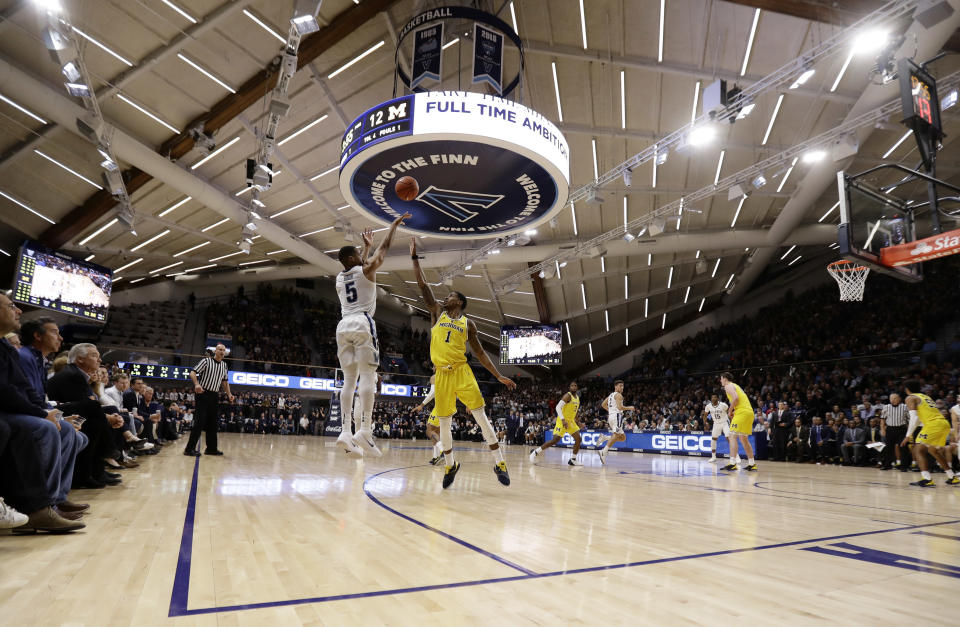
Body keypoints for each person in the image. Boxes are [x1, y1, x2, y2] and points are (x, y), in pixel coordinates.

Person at [410, 238, 517, 489]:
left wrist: (498, 375)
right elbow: (422, 284)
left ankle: (499, 462)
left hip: (462, 371)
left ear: (459, 302)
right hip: (442, 375)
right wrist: (415, 258)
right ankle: (450, 464)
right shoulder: (437, 312)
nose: (445, 297)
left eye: (450, 296)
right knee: (444, 424)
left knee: (481, 417)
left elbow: (480, 354)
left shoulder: (468, 323)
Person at [334, 213, 409, 457]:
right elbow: (384, 250)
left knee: (348, 380)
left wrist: (364, 249)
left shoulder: (339, 278)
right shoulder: (365, 270)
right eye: (356, 253)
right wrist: (392, 226)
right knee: (369, 375)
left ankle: (345, 431)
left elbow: (357, 268)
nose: (361, 254)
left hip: (343, 325)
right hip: (363, 322)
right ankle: (365, 430)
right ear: (350, 258)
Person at [900, 380, 956, 487]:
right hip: (943, 423)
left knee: (918, 449)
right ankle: (952, 476)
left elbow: (914, 417)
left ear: (906, 389)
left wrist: (908, 436)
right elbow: (922, 416)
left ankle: (927, 479)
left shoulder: (910, 398)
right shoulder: (925, 397)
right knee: (933, 450)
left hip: (933, 425)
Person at [184, 343, 233, 456]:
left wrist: (229, 394)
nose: (222, 352)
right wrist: (196, 384)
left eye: (223, 350)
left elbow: (225, 382)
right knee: (199, 422)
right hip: (203, 393)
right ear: (215, 351)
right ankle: (189, 449)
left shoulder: (224, 365)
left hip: (214, 395)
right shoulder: (206, 361)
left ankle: (211, 448)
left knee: (213, 423)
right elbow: (192, 372)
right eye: (220, 349)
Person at [530, 381, 583, 466]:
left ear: (577, 388)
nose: (573, 387)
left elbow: (575, 412)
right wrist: (563, 420)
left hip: (571, 422)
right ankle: (535, 452)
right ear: (569, 388)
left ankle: (573, 459)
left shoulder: (577, 398)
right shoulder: (567, 395)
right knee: (555, 440)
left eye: (575, 386)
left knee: (578, 439)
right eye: (572, 385)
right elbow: (557, 407)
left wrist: (579, 422)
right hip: (562, 421)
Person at [720, 372, 758, 471]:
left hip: (742, 412)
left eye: (721, 379)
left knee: (732, 436)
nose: (720, 381)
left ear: (724, 379)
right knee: (743, 439)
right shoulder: (735, 385)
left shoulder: (728, 386)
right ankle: (752, 463)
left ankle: (732, 463)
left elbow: (736, 398)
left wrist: (730, 410)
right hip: (749, 412)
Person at [597, 380, 635, 465]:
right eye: (620, 386)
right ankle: (604, 451)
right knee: (617, 434)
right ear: (616, 387)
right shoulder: (619, 395)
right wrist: (630, 408)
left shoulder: (611, 395)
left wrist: (611, 410)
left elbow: (603, 405)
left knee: (622, 438)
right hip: (617, 416)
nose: (622, 387)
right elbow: (620, 407)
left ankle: (605, 438)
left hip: (611, 416)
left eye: (623, 386)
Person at [413, 374, 445, 465]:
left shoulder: (435, 377)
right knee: (436, 432)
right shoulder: (449, 375)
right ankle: (436, 457)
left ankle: (443, 451)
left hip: (440, 406)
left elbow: (432, 392)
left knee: (429, 430)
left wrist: (421, 405)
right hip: (450, 407)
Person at [703, 393, 736, 464]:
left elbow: (730, 413)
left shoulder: (723, 405)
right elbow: (705, 415)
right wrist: (705, 423)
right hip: (716, 423)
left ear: (717, 398)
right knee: (713, 439)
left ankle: (736, 456)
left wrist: (733, 422)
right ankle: (713, 456)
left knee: (728, 437)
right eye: (712, 397)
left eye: (715, 397)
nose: (713, 399)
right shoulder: (708, 406)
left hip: (724, 422)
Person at [880, 393, 909, 471]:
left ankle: (904, 466)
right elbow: (882, 419)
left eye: (895, 398)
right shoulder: (886, 407)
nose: (893, 400)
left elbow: (909, 420)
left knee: (903, 447)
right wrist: (882, 429)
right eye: (891, 398)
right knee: (888, 448)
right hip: (890, 429)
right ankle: (887, 465)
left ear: (899, 399)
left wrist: (909, 432)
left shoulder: (905, 407)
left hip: (902, 429)